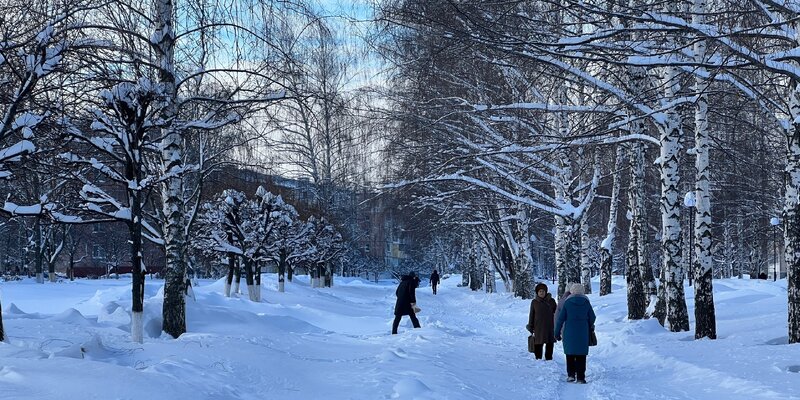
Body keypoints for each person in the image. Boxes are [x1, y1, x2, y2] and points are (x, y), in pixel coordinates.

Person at [554, 282, 596, 384]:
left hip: (569, 332)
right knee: (582, 355)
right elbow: (592, 317)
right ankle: (581, 377)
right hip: (583, 332)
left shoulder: (567, 303)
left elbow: (560, 319)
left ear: (571, 291)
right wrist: (589, 325)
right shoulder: (586, 302)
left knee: (570, 354)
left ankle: (571, 375)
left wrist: (556, 332)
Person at [526, 283, 557, 360]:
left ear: (546, 291)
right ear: (537, 292)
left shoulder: (551, 301)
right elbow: (531, 315)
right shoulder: (534, 302)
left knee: (550, 343)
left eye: (543, 291)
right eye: (539, 291)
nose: (541, 293)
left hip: (550, 326)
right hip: (538, 327)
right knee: (538, 343)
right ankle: (538, 358)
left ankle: (549, 358)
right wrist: (530, 326)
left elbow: (556, 313)